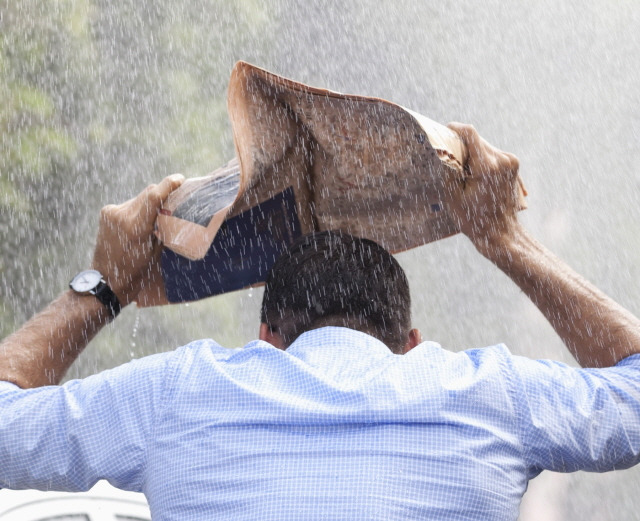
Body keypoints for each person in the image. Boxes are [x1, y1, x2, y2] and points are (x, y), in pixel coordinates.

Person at [1, 123, 640, 521]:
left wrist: (106, 287)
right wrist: (504, 239)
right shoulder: (493, 397)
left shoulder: (180, 394)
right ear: (409, 345)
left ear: (266, 339)